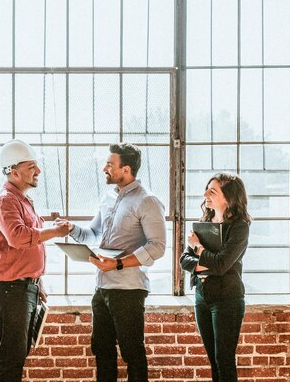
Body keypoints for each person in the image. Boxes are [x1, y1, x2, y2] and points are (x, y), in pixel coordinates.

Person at [55, 143, 166, 382]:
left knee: (132, 353)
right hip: (102, 288)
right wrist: (71, 229)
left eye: (109, 164)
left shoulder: (147, 201)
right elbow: (93, 235)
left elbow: (157, 247)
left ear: (126, 169)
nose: (104, 168)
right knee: (101, 350)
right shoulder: (108, 198)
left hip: (128, 290)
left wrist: (117, 265)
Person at [0, 139, 71, 382]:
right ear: (14, 172)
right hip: (10, 288)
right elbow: (18, 238)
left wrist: (35, 280)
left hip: (23, 285)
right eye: (32, 167)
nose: (38, 172)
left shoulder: (21, 199)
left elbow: (26, 247)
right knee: (13, 354)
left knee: (19, 351)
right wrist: (55, 231)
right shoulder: (6, 201)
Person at [179, 173, 252, 382]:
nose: (205, 195)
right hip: (202, 297)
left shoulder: (239, 227)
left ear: (228, 197)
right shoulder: (204, 222)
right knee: (213, 360)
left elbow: (221, 265)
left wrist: (199, 249)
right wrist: (205, 263)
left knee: (224, 360)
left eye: (212, 191)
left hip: (227, 300)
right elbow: (184, 260)